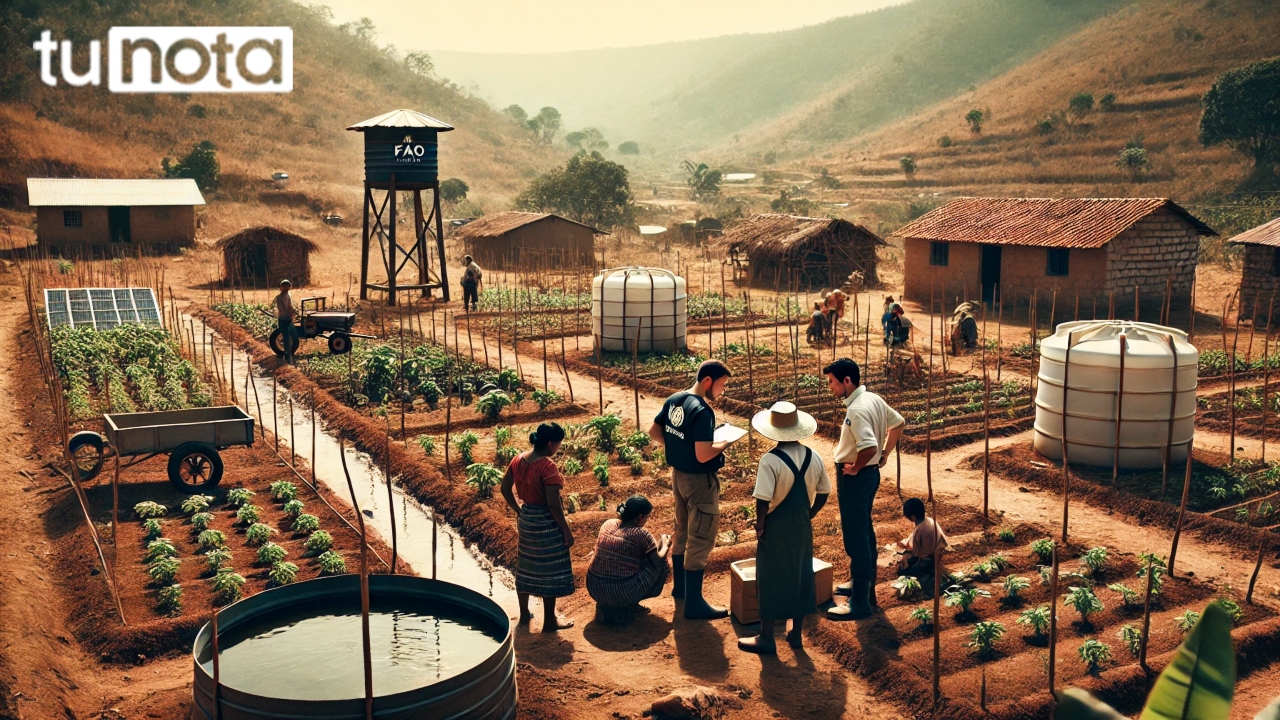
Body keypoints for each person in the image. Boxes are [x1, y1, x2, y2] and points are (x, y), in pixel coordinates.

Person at [738, 402, 830, 654]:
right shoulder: (814, 456)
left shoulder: (770, 460)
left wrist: (760, 526)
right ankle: (796, 635)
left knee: (770, 578)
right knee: (800, 576)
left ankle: (766, 637)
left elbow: (762, 499)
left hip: (776, 528)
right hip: (801, 527)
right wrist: (809, 514)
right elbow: (825, 492)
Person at [647, 359, 734, 620]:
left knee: (682, 529)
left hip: (679, 477)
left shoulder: (675, 399)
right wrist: (725, 442)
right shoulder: (702, 411)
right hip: (698, 481)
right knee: (701, 536)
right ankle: (695, 605)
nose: (722, 391)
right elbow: (705, 453)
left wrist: (678, 449)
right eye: (722, 385)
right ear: (708, 381)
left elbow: (654, 431)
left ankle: (681, 590)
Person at [824, 358, 905, 620]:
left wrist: (857, 467)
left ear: (847, 381)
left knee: (856, 537)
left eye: (832, 383)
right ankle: (863, 589)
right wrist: (885, 455)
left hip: (856, 478)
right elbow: (899, 422)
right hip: (870, 476)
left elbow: (868, 446)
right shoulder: (873, 398)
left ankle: (860, 602)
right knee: (864, 530)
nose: (831, 388)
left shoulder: (857, 409)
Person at [500, 422, 575, 632]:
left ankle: (525, 614)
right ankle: (549, 621)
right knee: (551, 569)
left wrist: (519, 510)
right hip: (546, 522)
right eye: (559, 443)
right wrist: (566, 530)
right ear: (551, 443)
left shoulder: (518, 460)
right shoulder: (547, 467)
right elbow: (553, 504)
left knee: (526, 566)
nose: (558, 447)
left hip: (527, 519)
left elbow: (505, 488)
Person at [586, 495, 671, 614]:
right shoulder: (640, 535)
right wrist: (665, 544)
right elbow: (658, 561)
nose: (646, 520)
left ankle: (607, 604)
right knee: (662, 566)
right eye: (647, 517)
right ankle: (629, 603)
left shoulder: (608, 524)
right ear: (640, 517)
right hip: (620, 593)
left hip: (594, 588)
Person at [894, 497, 948, 597]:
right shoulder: (929, 520)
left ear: (913, 517)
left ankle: (927, 573)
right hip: (939, 552)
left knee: (901, 571)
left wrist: (906, 563)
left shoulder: (919, 529)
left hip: (929, 560)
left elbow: (915, 556)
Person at [274, 279, 298, 364]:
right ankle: (288, 355)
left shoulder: (279, 297)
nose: (286, 288)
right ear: (282, 287)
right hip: (286, 319)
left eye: (287, 286)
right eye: (285, 286)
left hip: (282, 319)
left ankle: (288, 353)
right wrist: (292, 315)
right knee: (290, 338)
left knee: (287, 337)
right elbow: (290, 307)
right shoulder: (286, 296)